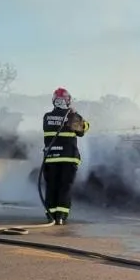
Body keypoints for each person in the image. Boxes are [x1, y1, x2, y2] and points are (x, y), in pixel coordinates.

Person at [41, 87, 90, 224]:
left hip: (51, 158)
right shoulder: (71, 117)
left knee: (51, 186)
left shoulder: (47, 117)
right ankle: (61, 216)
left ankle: (50, 215)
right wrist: (75, 113)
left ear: (54, 101)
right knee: (65, 186)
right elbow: (83, 129)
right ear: (68, 101)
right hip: (68, 159)